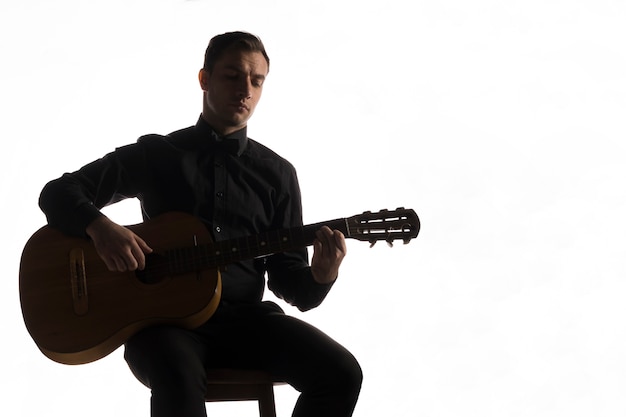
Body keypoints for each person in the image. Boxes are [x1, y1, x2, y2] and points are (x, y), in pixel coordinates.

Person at [39, 31, 362, 417]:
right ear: (204, 79)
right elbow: (58, 191)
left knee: (341, 373)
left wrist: (321, 276)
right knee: (176, 373)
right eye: (232, 76)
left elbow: (289, 280)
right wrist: (100, 227)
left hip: (246, 323)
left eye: (256, 81)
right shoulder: (157, 153)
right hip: (163, 325)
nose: (245, 90)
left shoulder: (278, 175)